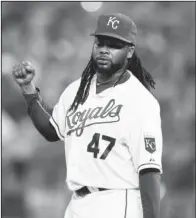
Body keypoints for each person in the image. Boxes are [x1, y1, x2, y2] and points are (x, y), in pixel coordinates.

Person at [12, 13, 163, 218]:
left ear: (130, 51)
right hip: (77, 203)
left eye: (114, 45)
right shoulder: (76, 90)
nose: (104, 49)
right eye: (100, 42)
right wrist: (28, 89)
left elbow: (149, 172)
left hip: (118, 201)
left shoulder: (141, 102)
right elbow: (52, 130)